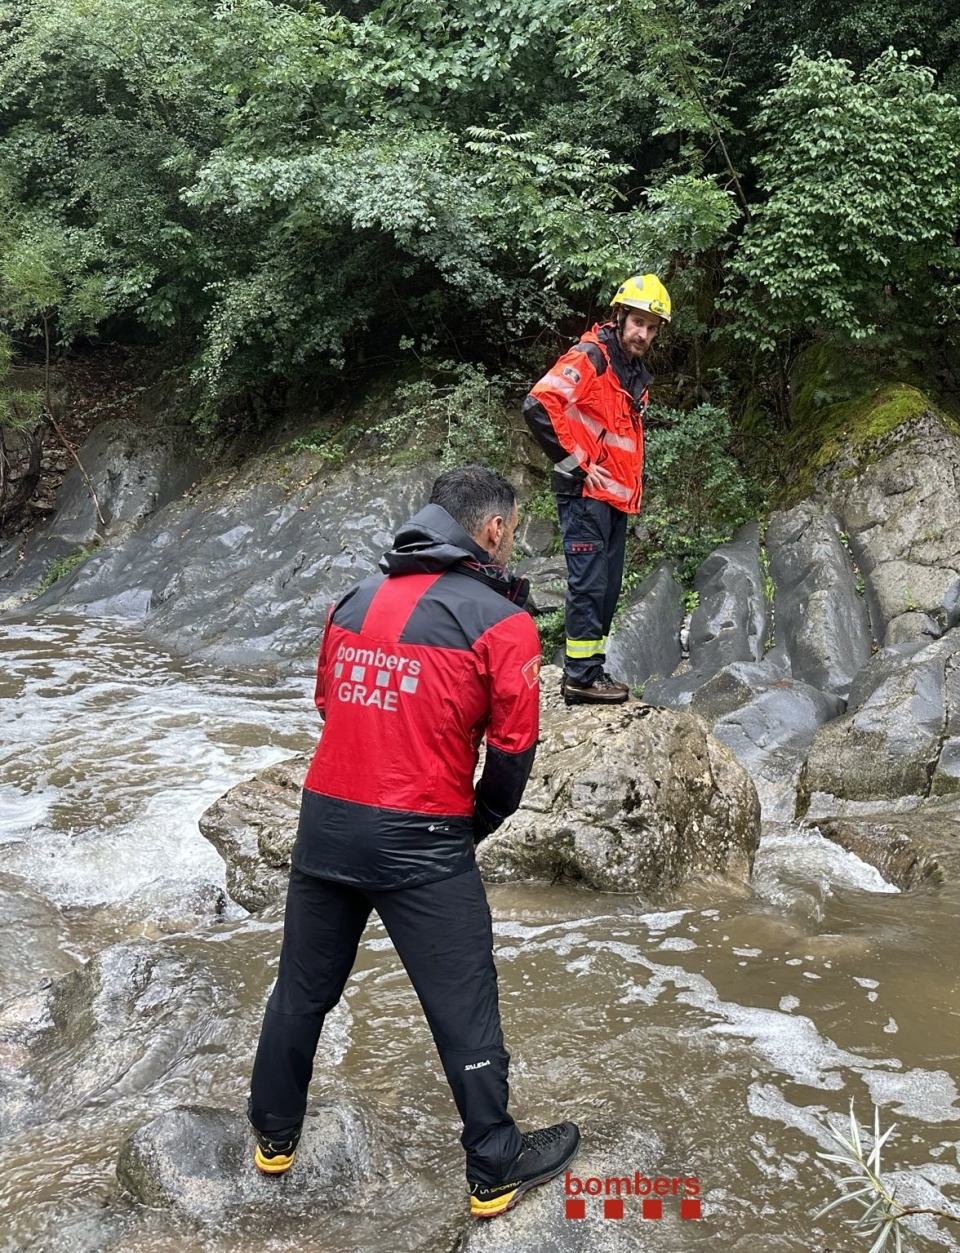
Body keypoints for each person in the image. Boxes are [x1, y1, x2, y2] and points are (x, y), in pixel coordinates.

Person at [246, 465, 579, 1218]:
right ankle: (494, 1165)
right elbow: (513, 751)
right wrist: (475, 825)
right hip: (422, 835)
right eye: (513, 529)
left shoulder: (353, 600)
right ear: (493, 529)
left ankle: (273, 1135)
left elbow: (331, 705)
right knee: (463, 1004)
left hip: (326, 822)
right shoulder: (502, 622)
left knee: (302, 990)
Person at [523, 274, 670, 705]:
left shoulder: (633, 372)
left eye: (652, 327)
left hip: (614, 499)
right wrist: (576, 466)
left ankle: (591, 670)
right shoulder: (592, 357)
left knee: (606, 588)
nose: (643, 334)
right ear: (620, 315)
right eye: (638, 322)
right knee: (589, 585)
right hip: (586, 496)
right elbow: (539, 404)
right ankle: (580, 677)